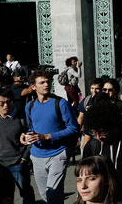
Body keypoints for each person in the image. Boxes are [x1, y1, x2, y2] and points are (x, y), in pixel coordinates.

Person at [20, 70, 79, 204]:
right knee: (45, 195)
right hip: (36, 156)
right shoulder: (29, 106)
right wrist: (25, 136)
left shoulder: (60, 103)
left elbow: (73, 129)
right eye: (42, 82)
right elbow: (31, 129)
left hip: (58, 154)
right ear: (33, 87)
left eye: (48, 82)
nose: (46, 84)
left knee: (52, 194)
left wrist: (47, 136)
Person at [0, 87, 35, 204]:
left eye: (9, 102)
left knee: (25, 191)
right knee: (3, 195)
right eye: (2, 103)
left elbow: (31, 139)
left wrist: (24, 158)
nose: (6, 105)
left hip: (18, 164)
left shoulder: (22, 118)